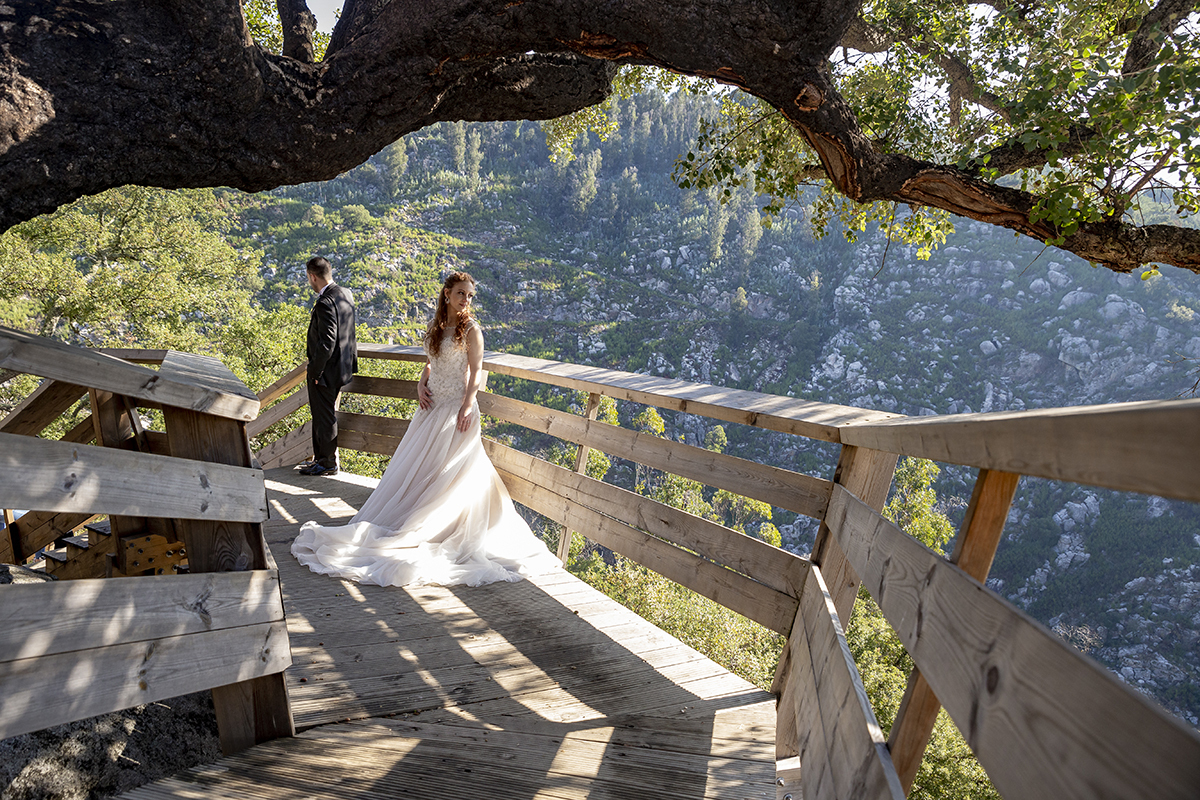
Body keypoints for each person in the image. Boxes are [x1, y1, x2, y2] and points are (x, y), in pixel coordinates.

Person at [290, 271, 561, 588]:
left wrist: (467, 404)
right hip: (431, 409)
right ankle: (414, 519)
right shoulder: (436, 327)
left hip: (457, 411)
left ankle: (449, 524)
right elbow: (432, 362)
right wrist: (421, 381)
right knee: (424, 472)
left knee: (456, 473)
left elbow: (476, 373)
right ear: (447, 294)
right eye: (461, 293)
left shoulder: (472, 330)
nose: (466, 300)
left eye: (470, 295)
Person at [302, 256, 358, 476]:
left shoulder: (325, 302)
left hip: (326, 371)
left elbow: (327, 341)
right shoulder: (346, 294)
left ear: (312, 276)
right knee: (325, 414)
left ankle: (326, 463)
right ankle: (321, 460)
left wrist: (315, 370)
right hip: (343, 366)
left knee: (323, 416)